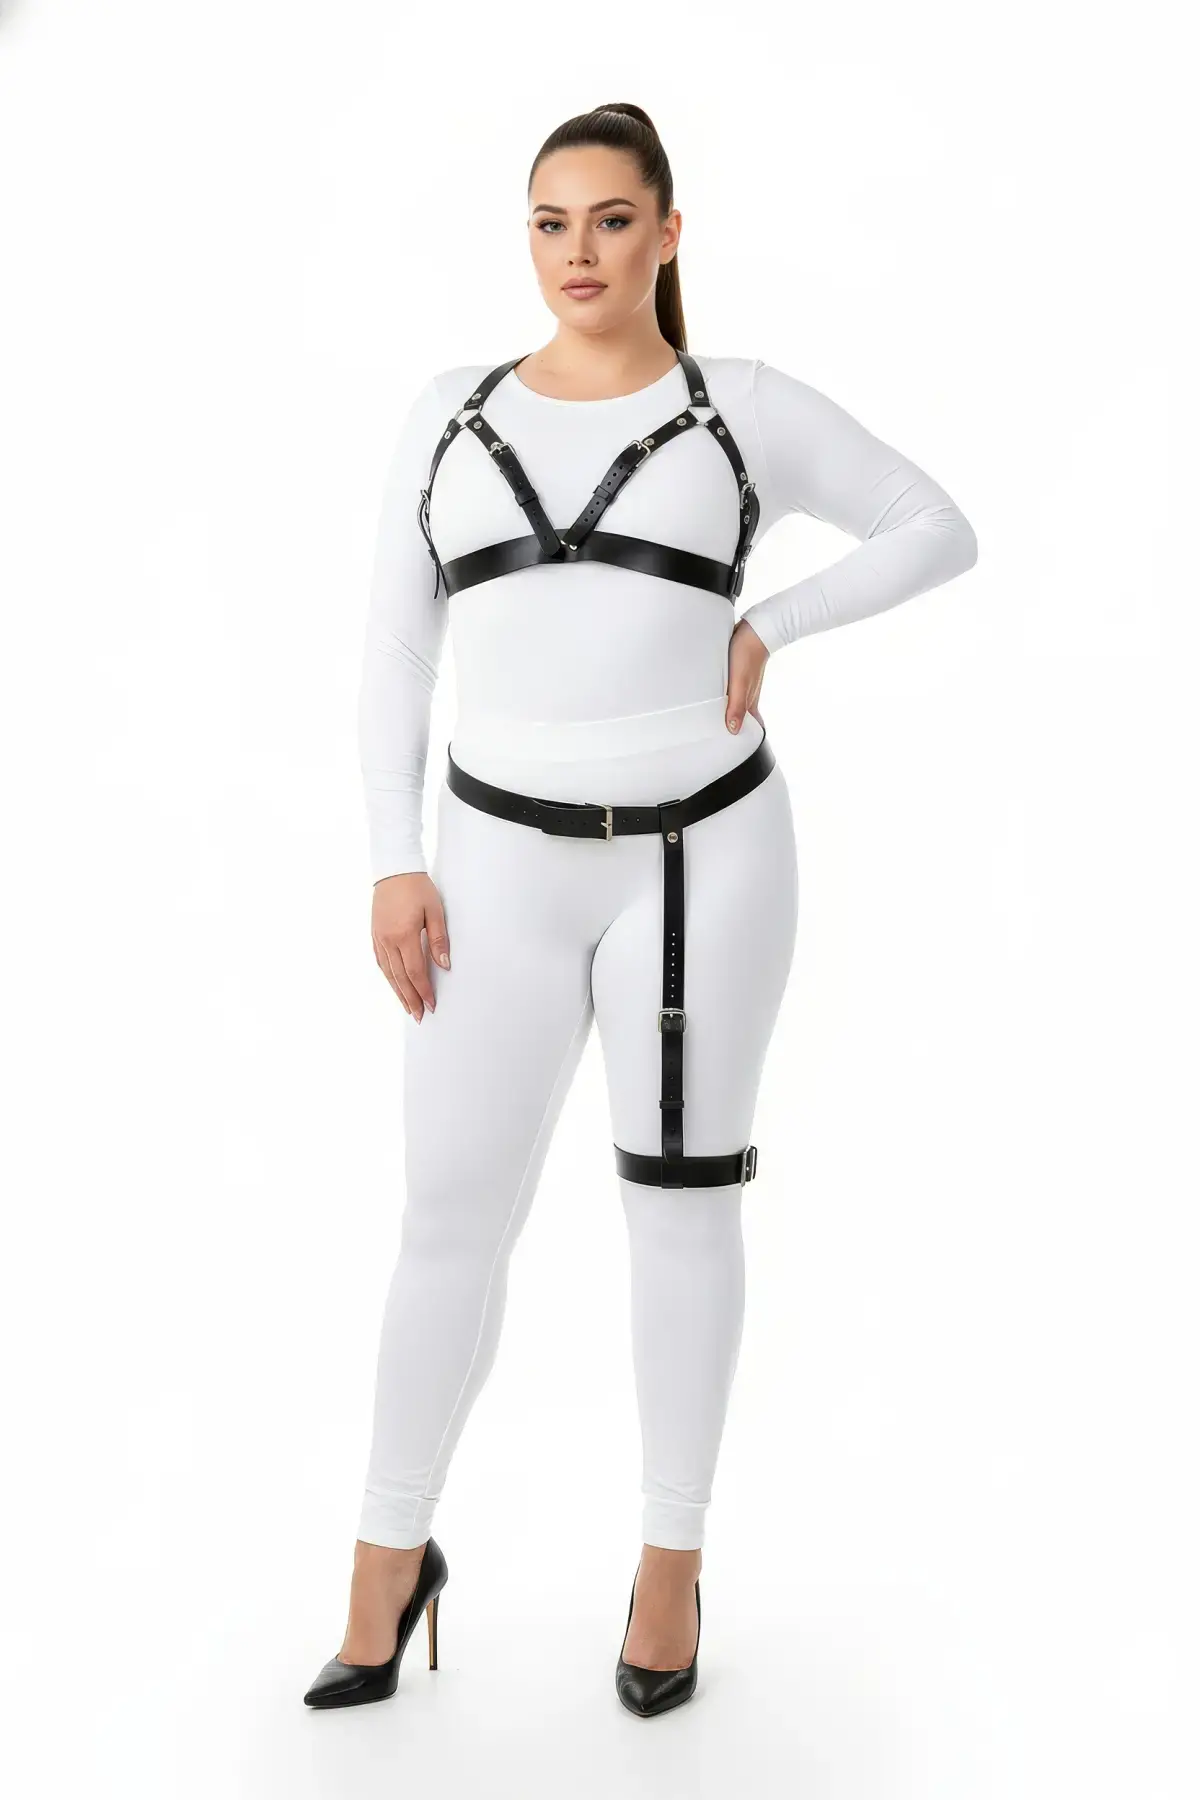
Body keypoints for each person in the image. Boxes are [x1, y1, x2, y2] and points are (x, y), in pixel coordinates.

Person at [303, 101, 978, 1718]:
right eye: (550, 222)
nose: (579, 253)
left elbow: (936, 526)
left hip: (703, 866)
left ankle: (670, 1563)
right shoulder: (452, 414)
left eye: (611, 220)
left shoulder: (740, 407)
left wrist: (773, 624)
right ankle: (388, 1560)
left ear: (668, 233)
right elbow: (396, 650)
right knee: (449, 1216)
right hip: (494, 869)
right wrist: (394, 857)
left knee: (680, 1210)